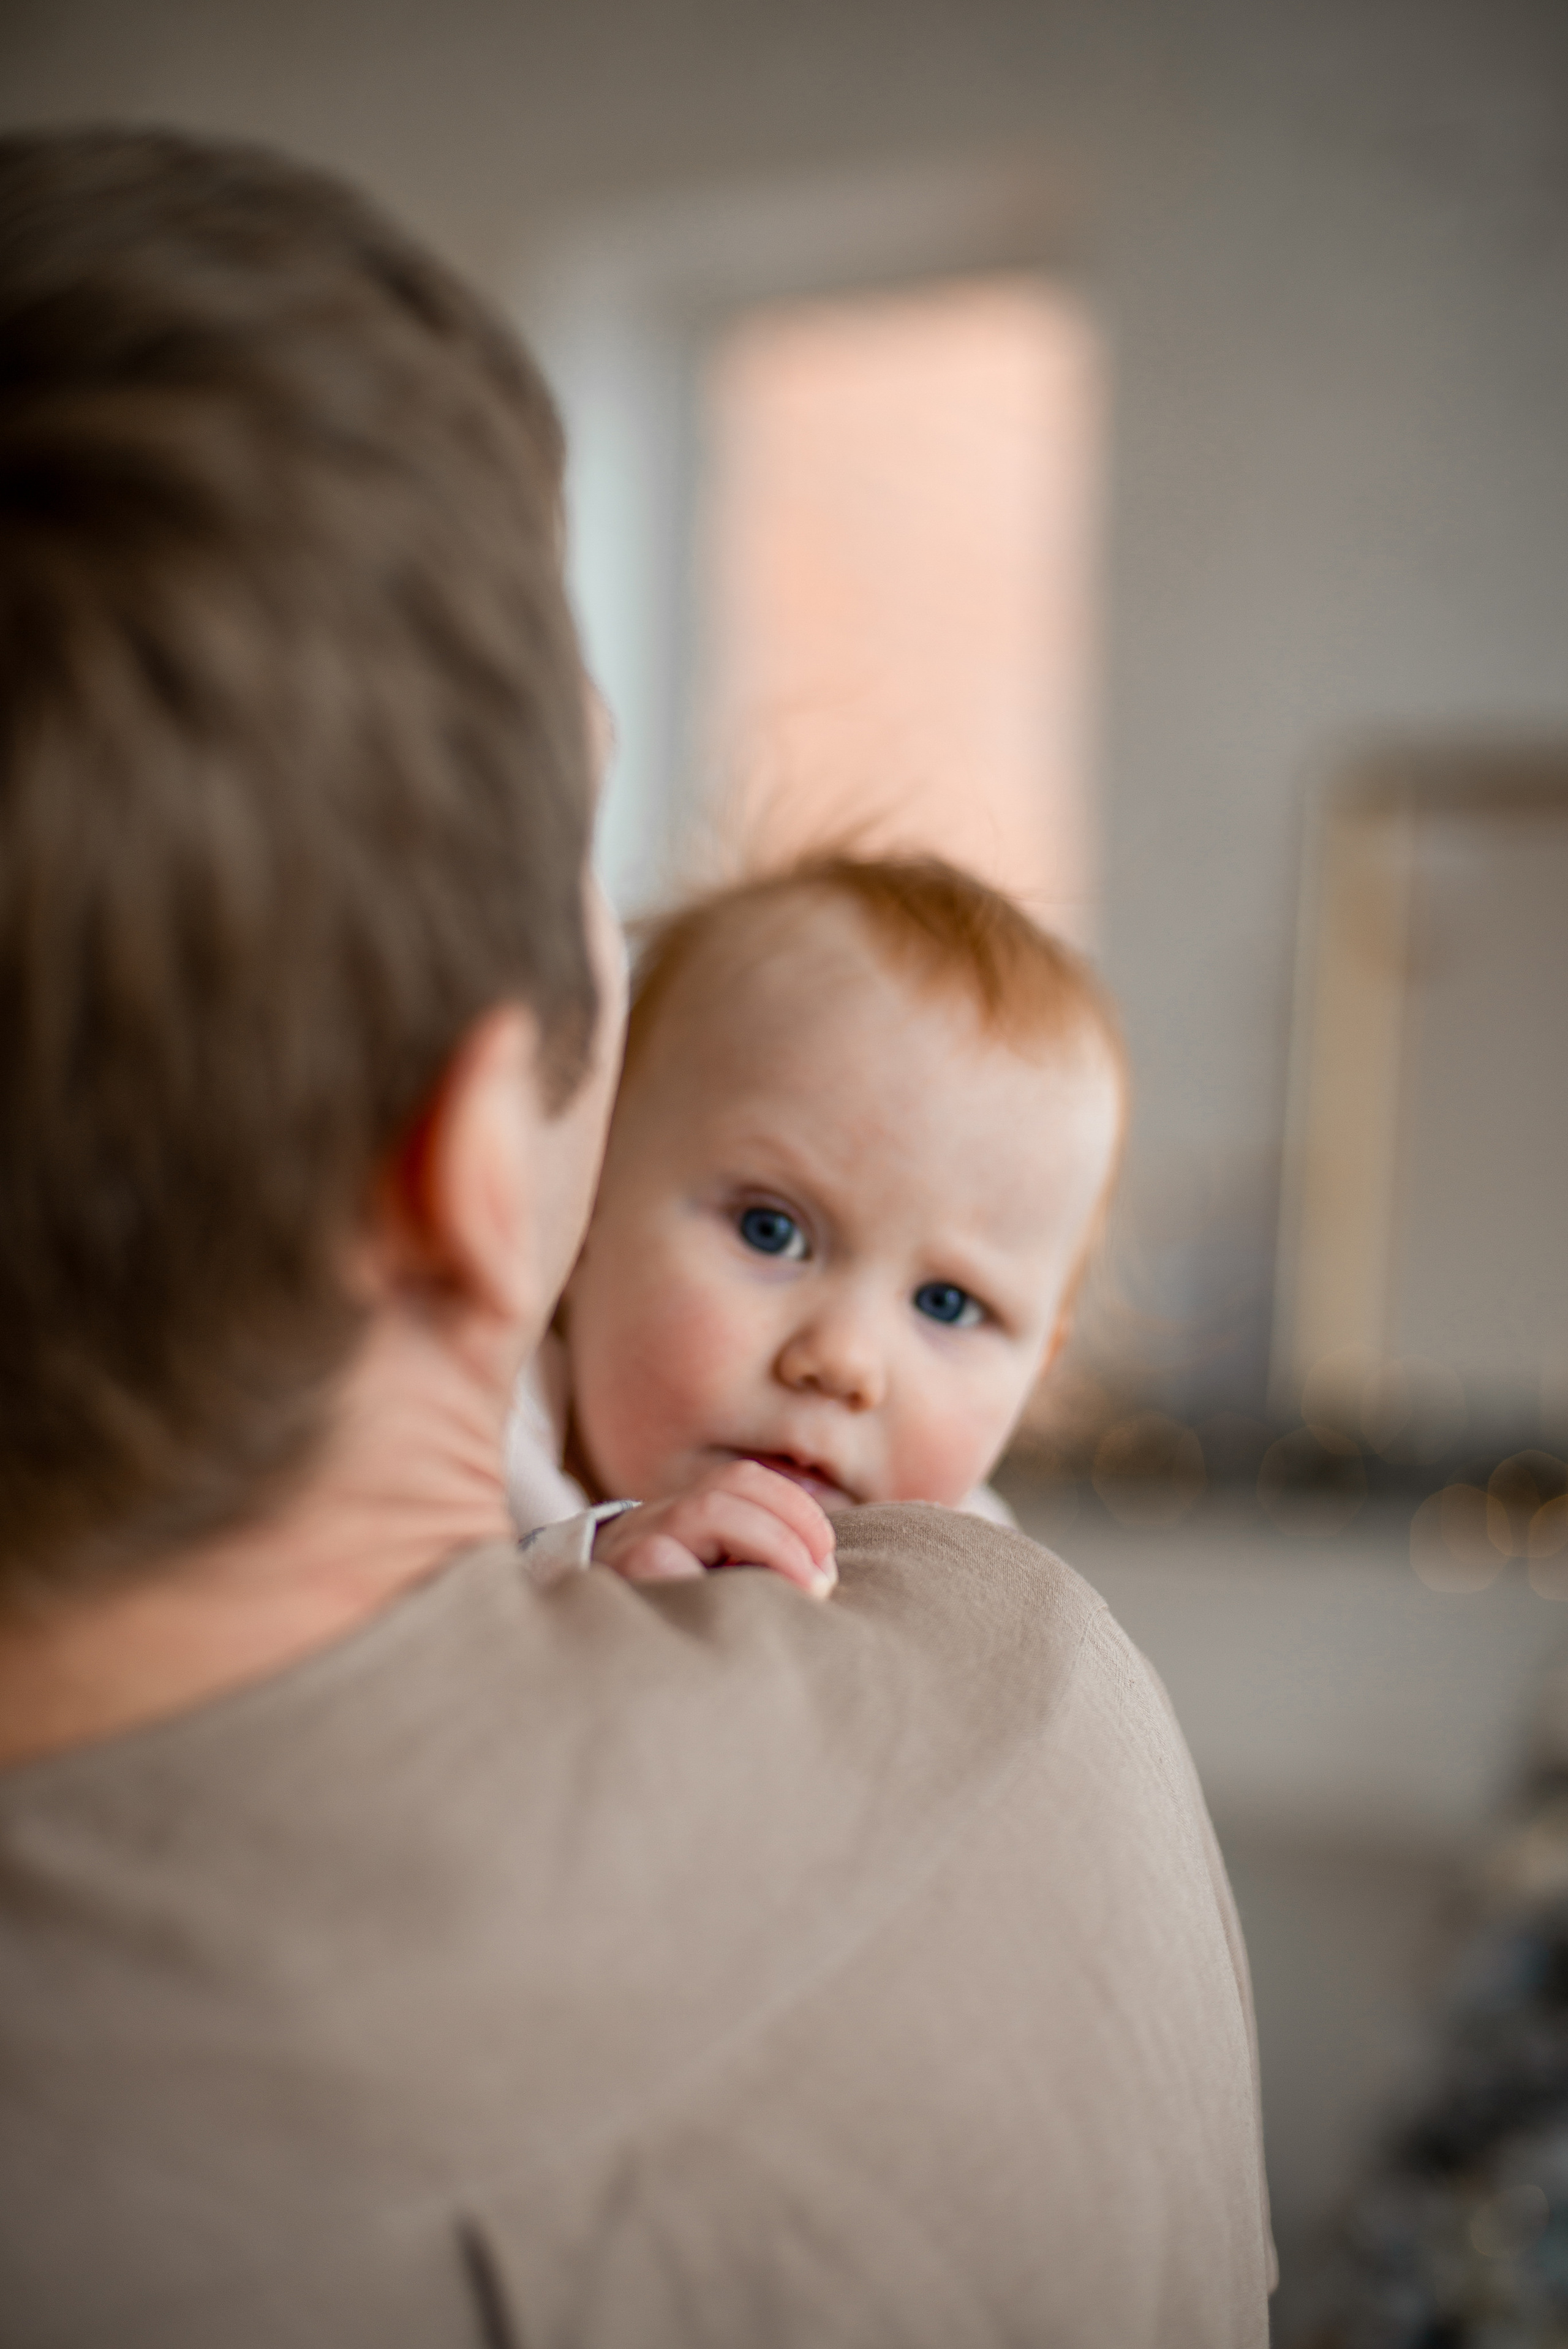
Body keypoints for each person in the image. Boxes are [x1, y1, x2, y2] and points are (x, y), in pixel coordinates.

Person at [0, 126, 1275, 2347]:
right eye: (770, 1219)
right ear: (477, 1161)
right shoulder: (1013, 1728)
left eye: (959, 1295)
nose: (842, 1357)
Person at [508, 854, 1125, 1591]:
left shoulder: (972, 1578)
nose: (843, 1361)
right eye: (772, 1231)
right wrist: (580, 1569)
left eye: (946, 1304)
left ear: (1036, 1371)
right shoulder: (483, 1426)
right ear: (584, 1205)